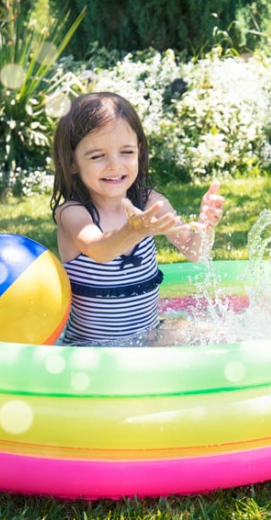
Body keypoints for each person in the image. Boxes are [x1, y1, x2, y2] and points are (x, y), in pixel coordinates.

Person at [50, 92, 224, 346]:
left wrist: (206, 225)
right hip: (93, 349)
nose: (114, 165)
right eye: (97, 156)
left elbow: (195, 251)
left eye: (126, 152)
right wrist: (134, 231)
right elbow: (99, 250)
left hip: (149, 337)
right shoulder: (73, 213)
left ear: (139, 152)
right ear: (72, 161)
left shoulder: (150, 202)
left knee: (219, 338)